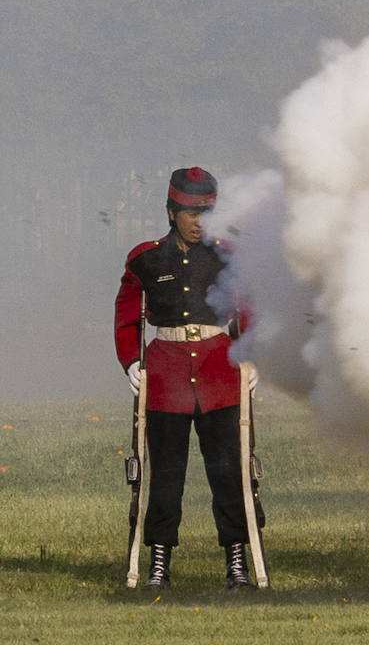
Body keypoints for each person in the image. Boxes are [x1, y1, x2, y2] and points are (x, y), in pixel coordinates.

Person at [115, 167, 259, 589]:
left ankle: (236, 563)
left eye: (207, 212)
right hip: (166, 374)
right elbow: (126, 317)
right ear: (172, 212)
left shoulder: (227, 255)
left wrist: (250, 358)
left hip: (219, 371)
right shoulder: (146, 258)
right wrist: (131, 362)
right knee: (165, 475)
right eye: (191, 213)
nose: (200, 221)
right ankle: (159, 563)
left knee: (228, 472)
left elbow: (247, 310)